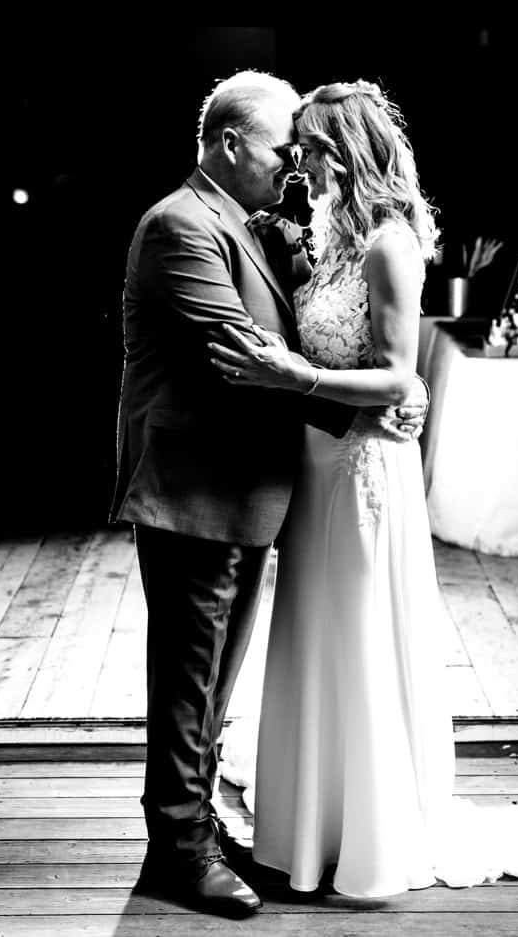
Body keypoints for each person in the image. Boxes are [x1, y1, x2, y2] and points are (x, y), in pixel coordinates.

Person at [208, 81, 518, 899]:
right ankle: (316, 822)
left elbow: (396, 376)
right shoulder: (332, 237)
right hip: (317, 467)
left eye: (308, 148)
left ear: (345, 150)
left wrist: (290, 374)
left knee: (359, 634)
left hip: (361, 474)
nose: (297, 162)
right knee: (315, 632)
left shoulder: (388, 245)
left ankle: (365, 833)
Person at [111, 70, 424, 919]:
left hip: (248, 491)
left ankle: (191, 830)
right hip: (197, 490)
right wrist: (382, 393)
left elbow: (304, 328)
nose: (293, 165)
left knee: (213, 680)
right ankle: (177, 849)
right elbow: (246, 355)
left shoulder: (242, 222)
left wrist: (387, 386)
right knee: (187, 683)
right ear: (228, 145)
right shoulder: (181, 225)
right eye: (284, 147)